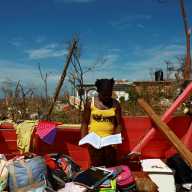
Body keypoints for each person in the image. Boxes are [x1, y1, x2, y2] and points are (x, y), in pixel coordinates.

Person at [81, 78, 123, 167]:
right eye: (104, 95)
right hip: (94, 141)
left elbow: (119, 125)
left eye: (109, 94)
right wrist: (84, 139)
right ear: (98, 91)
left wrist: (115, 140)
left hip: (109, 143)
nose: (107, 97)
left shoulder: (115, 104)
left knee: (110, 167)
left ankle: (112, 181)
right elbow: (84, 122)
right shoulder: (90, 103)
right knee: (97, 166)